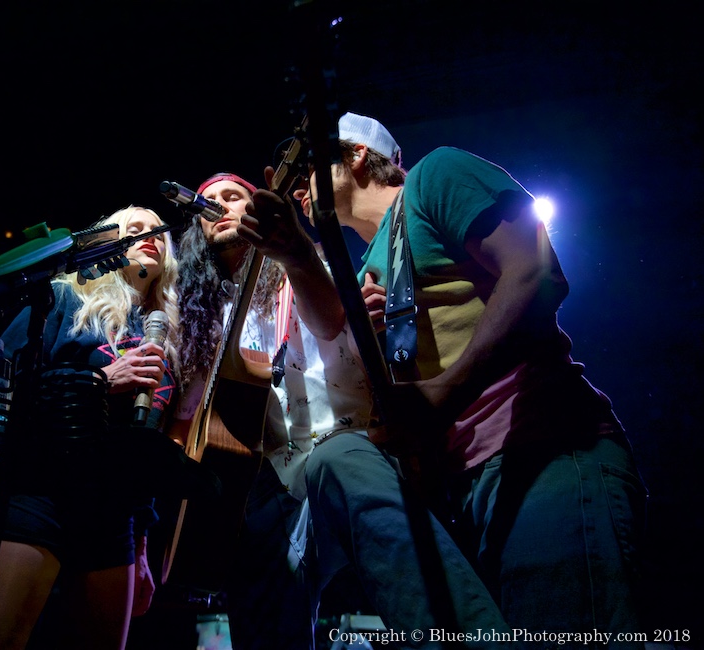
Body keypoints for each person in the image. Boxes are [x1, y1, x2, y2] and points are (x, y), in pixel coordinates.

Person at [293, 111, 648, 645]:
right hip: (455, 489)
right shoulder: (367, 268)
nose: (300, 182)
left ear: (358, 155)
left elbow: (536, 272)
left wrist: (445, 389)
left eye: (311, 165)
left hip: (540, 450)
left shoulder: (438, 174)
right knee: (335, 464)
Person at [170, 171, 510, 649]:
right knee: (267, 625)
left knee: (403, 569)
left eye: (234, 197)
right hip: (263, 477)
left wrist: (299, 260)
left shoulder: (305, 269)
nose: (222, 207)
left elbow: (330, 319)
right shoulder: (195, 307)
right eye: (209, 203)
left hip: (343, 448)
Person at [0, 206, 182, 650]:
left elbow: (146, 450)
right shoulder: (62, 300)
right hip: (39, 491)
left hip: (115, 512)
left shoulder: (169, 335)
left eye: (156, 229)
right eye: (132, 228)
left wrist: (140, 544)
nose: (148, 235)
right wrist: (101, 381)